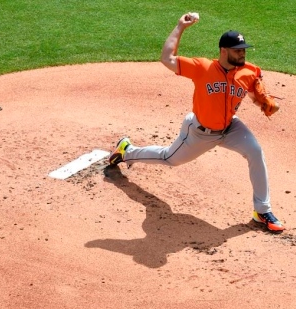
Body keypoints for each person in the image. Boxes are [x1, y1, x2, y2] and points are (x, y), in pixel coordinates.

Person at [108, 13, 284, 232]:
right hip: (200, 132)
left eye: (244, 49)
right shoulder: (202, 68)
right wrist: (181, 26)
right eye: (238, 50)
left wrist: (263, 103)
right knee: (169, 159)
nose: (242, 53)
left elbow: (253, 95)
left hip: (231, 128)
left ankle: (262, 210)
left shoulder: (249, 71)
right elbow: (167, 59)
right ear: (223, 51)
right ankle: (126, 151)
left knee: (255, 152)